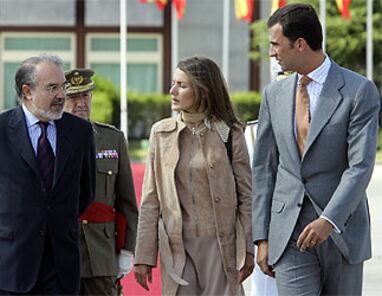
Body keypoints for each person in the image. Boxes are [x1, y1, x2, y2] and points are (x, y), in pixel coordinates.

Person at [252, 4, 381, 296]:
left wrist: (329, 220)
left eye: (275, 44)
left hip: (341, 232)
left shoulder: (358, 91)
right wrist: (261, 237)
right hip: (289, 233)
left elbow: (360, 165)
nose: (271, 52)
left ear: (299, 44)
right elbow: (264, 169)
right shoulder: (274, 94)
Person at [0, 54, 96, 295]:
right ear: (27, 91)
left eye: (62, 87)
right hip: (10, 262)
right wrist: (0, 228)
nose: (61, 95)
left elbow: (85, 191)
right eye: (52, 88)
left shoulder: (79, 132)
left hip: (60, 264)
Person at [134, 56, 254, 296]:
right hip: (178, 249)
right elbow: (150, 200)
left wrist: (248, 249)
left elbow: (247, 197)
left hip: (222, 248)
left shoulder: (229, 133)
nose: (172, 91)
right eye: (173, 83)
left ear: (204, 91)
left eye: (182, 85)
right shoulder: (161, 133)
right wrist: (144, 254)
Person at [63, 68, 138, 296]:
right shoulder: (49, 139)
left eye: (85, 95)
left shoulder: (112, 139)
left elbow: (128, 203)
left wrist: (127, 251)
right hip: (62, 254)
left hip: (101, 254)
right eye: (73, 97)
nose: (81, 103)